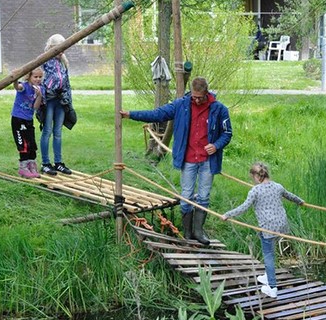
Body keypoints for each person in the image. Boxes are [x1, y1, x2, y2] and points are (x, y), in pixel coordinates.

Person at [120, 77, 233, 246]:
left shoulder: (219, 109)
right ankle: (187, 233)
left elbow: (227, 133)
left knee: (203, 197)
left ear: (207, 93)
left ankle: (198, 231)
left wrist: (216, 146)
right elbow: (157, 114)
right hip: (188, 159)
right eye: (194, 97)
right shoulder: (181, 105)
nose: (196, 100)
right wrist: (131, 115)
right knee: (186, 196)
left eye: (200, 97)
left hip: (208, 161)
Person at [222, 162, 304, 298]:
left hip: (268, 227)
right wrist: (300, 201)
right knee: (270, 249)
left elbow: (244, 207)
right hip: (282, 225)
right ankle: (267, 276)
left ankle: (272, 288)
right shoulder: (278, 186)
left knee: (268, 256)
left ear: (255, 176)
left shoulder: (255, 191)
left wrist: (227, 214)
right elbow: (290, 196)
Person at [39, 33, 73, 176]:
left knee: (58, 132)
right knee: (47, 130)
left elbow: (67, 82)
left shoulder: (63, 62)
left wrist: (68, 101)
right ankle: (45, 163)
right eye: (58, 49)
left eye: (63, 49)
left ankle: (58, 162)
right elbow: (39, 79)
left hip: (61, 100)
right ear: (52, 48)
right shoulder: (45, 60)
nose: (61, 52)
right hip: (49, 100)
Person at [11, 67, 43, 178]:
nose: (38, 79)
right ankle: (23, 167)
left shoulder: (39, 89)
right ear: (29, 77)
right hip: (18, 119)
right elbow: (17, 87)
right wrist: (14, 79)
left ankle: (31, 165)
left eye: (40, 77)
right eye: (35, 77)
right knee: (23, 143)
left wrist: (39, 95)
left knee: (31, 143)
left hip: (28, 120)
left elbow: (35, 107)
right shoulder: (24, 86)